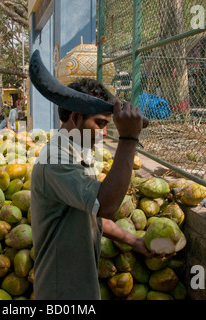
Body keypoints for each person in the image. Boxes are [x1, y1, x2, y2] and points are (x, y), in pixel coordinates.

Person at [30, 78, 156, 300]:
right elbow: (106, 206)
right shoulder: (56, 159)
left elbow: (92, 212)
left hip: (78, 284)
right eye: (100, 124)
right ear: (76, 117)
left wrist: (134, 241)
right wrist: (128, 138)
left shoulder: (76, 152)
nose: (104, 133)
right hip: (61, 291)